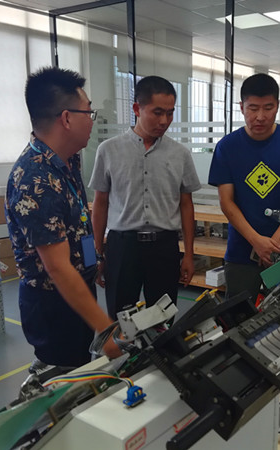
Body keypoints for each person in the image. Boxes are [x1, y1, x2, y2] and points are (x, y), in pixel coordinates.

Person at [5, 66, 120, 368]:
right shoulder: (35, 178)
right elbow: (56, 267)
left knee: (82, 365)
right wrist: (106, 330)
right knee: (65, 376)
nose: (92, 120)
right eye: (88, 112)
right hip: (54, 303)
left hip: (78, 289)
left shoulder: (67, 161)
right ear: (67, 118)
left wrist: (95, 257)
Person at [89, 75, 201, 320]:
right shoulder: (109, 150)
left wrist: (189, 255)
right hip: (122, 247)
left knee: (162, 319)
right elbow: (100, 203)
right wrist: (97, 253)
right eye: (157, 112)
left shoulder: (180, 154)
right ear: (137, 109)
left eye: (170, 113)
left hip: (164, 247)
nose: (164, 121)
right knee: (121, 320)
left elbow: (186, 205)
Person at [208, 73, 280, 301]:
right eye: (253, 108)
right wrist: (256, 241)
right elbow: (226, 201)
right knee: (239, 315)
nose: (260, 117)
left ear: (277, 106)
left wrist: (275, 243)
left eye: (268, 108)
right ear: (241, 107)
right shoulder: (227, 147)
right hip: (241, 253)